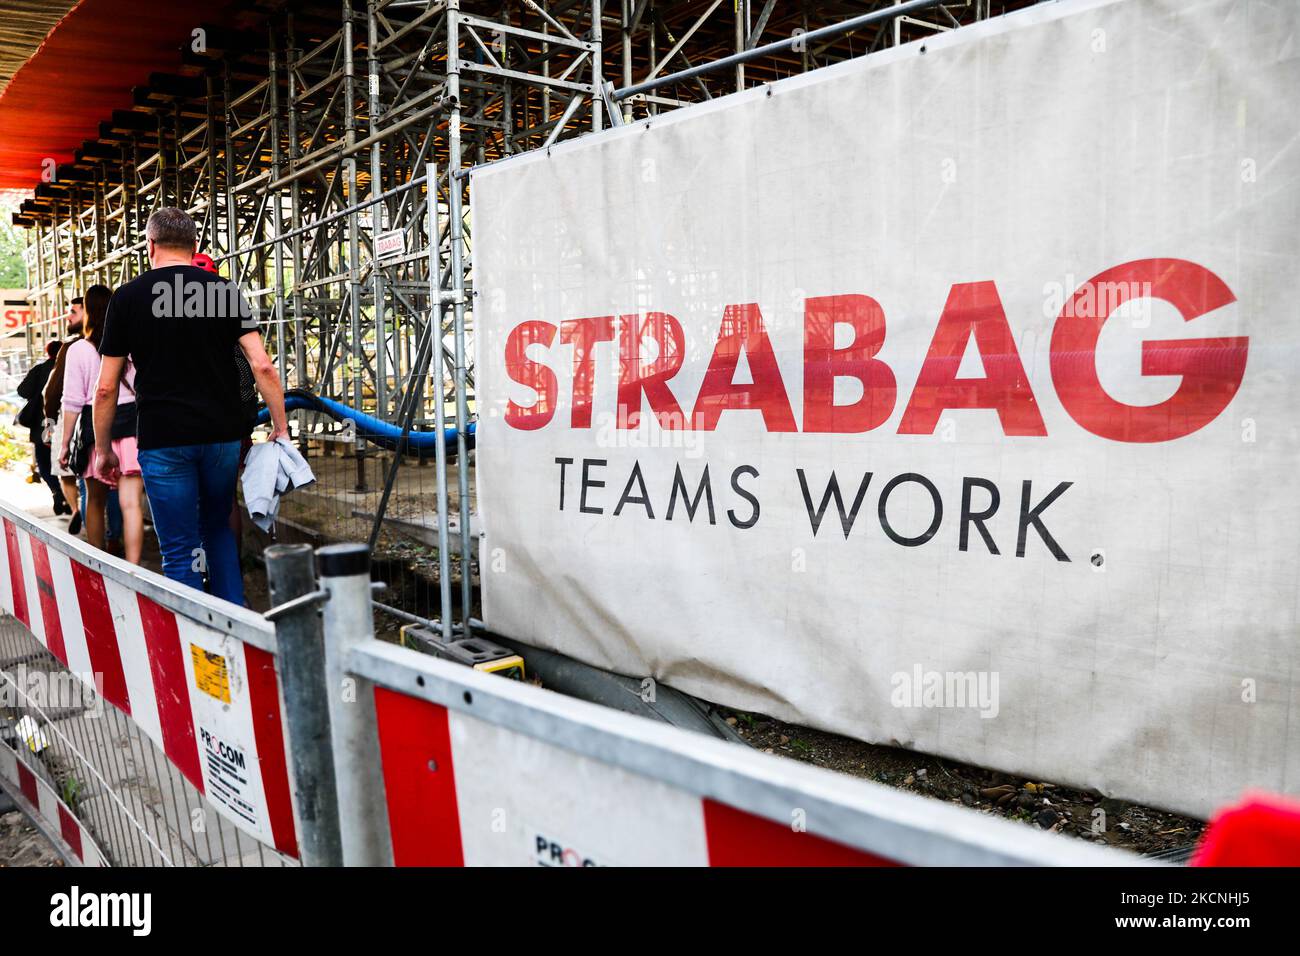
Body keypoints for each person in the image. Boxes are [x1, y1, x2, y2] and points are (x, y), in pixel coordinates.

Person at [94, 208, 288, 605]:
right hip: (220, 438)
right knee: (218, 531)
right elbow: (262, 365)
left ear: (150, 246)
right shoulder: (224, 291)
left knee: (180, 549)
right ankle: (236, 626)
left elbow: (106, 388)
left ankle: (196, 648)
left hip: (163, 439)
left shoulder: (127, 298)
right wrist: (281, 426)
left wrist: (102, 450)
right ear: (194, 246)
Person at [58, 284, 145, 563]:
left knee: (94, 500)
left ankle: (96, 563)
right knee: (131, 503)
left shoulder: (79, 350)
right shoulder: (132, 344)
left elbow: (71, 401)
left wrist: (64, 444)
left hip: (96, 427)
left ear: (88, 313)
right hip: (132, 426)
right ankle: (133, 568)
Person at [43, 299, 85, 532]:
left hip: (72, 416)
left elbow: (53, 389)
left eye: (73, 312)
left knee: (65, 471)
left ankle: (78, 510)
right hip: (114, 417)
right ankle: (113, 534)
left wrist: (48, 421)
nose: (68, 317)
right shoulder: (111, 341)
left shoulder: (70, 347)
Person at [16, 341, 69, 514]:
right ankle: (70, 499)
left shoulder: (40, 369)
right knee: (66, 463)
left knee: (44, 463)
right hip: (66, 423)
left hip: (42, 425)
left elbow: (22, 391)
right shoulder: (69, 367)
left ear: (48, 353)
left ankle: (56, 491)